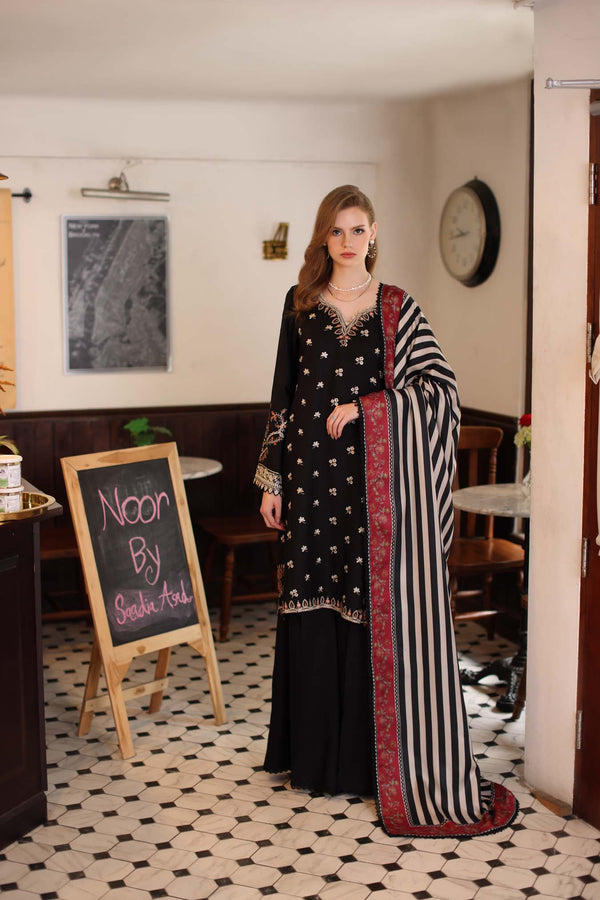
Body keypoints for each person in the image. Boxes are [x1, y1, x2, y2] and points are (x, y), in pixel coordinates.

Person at [254, 185, 518, 838]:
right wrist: (272, 480)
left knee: (363, 607)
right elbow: (283, 398)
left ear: (374, 232)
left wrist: (369, 409)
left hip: (375, 492)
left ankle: (366, 766)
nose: (347, 241)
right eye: (336, 231)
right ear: (324, 238)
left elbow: (439, 390)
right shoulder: (299, 304)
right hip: (309, 482)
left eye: (357, 229)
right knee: (310, 602)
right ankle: (311, 761)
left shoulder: (397, 308)